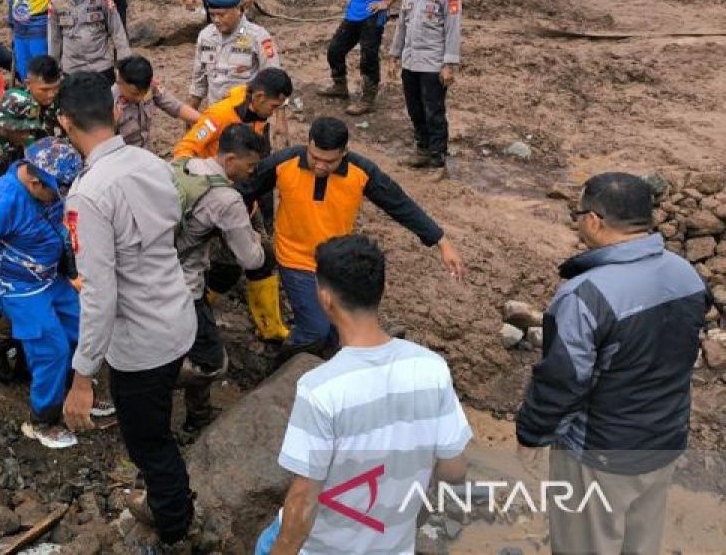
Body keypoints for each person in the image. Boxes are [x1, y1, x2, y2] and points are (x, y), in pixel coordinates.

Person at [516, 173, 708, 555]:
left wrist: (532, 434)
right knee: (640, 545)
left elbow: (563, 382)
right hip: (664, 442)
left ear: (594, 220)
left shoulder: (583, 295)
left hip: (599, 455)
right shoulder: (685, 274)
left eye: (579, 213)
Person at [259, 235, 471, 555]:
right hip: (393, 547)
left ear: (325, 298)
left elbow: (303, 501)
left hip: (324, 549)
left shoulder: (320, 389)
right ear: (381, 292)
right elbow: (454, 470)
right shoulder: (432, 368)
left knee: (267, 543)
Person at [58, 72, 199, 549]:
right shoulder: (150, 162)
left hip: (141, 341)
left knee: (148, 441)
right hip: (177, 316)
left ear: (64, 122)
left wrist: (82, 377)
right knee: (156, 422)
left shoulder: (88, 193)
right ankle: (171, 503)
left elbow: (100, 293)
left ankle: (175, 524)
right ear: (115, 110)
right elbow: (173, 230)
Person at [241, 117, 464, 351]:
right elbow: (245, 188)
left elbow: (398, 203)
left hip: (336, 263)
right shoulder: (284, 162)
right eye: (314, 157)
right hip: (295, 259)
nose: (320, 166)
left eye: (329, 161)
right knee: (315, 330)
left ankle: (323, 357)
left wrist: (441, 240)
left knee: (337, 329)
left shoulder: (361, 172)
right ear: (308, 144)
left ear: (344, 152)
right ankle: (286, 365)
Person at [0, 137, 99, 449]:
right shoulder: (2, 203)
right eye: (55, 193)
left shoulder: (49, 183)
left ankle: (75, 390)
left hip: (51, 274)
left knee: (83, 325)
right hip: (20, 287)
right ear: (34, 182)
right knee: (53, 349)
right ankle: (41, 419)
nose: (59, 198)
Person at [173, 124, 268, 433]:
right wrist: (263, 245)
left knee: (188, 345)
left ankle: (198, 418)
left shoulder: (184, 165)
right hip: (185, 285)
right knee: (212, 362)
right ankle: (150, 382)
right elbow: (249, 258)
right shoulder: (226, 199)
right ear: (229, 159)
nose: (251, 172)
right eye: (250, 165)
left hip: (154, 272)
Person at [388, 0, 462, 171]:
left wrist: (449, 64)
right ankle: (422, 150)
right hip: (410, 62)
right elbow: (401, 26)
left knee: (434, 111)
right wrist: (394, 55)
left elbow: (453, 31)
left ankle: (438, 158)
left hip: (432, 64)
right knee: (415, 109)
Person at [188, 0, 280, 111]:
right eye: (212, 15)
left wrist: (281, 118)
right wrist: (191, 111)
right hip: (216, 113)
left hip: (247, 115)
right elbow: (199, 79)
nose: (216, 20)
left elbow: (275, 79)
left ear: (238, 10)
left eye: (221, 14)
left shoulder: (258, 36)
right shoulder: (206, 36)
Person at [47, 0, 131, 85]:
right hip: (72, 67)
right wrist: (53, 68)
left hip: (101, 65)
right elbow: (54, 38)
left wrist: (124, 63)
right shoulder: (56, 2)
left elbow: (117, 30)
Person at [173, 68, 292, 160]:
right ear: (260, 96)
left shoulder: (259, 114)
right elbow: (185, 148)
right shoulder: (219, 114)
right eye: (274, 106)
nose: (273, 112)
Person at [114, 55, 200, 152]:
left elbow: (175, 106)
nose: (140, 98)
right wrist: (113, 124)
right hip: (121, 156)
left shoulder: (151, 86)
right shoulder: (109, 102)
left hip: (145, 151)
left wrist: (204, 120)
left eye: (144, 93)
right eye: (135, 93)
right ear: (120, 82)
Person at [25, 54, 63, 137]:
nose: (51, 95)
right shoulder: (18, 106)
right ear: (28, 84)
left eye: (56, 88)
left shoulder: (65, 104)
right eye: (45, 90)